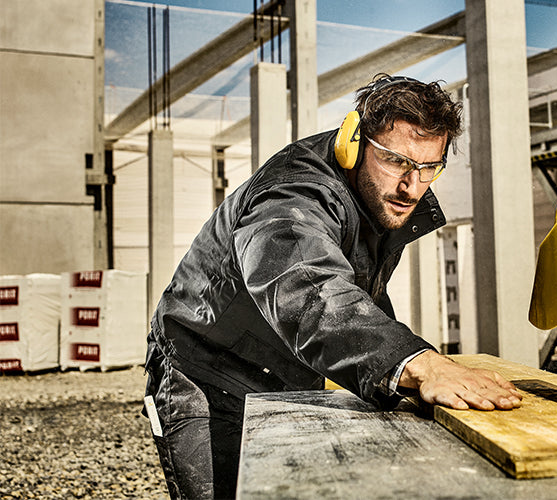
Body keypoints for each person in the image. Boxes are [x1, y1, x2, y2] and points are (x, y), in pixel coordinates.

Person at [143, 74, 523, 499]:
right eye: (397, 161)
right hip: (208, 372)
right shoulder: (293, 191)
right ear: (352, 143)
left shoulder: (378, 199)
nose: (412, 186)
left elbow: (359, 293)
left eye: (428, 167)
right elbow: (305, 286)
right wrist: (415, 362)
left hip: (285, 370)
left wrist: (402, 370)